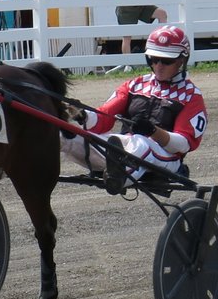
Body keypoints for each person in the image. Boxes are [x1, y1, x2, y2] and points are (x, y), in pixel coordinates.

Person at [63, 24, 208, 194]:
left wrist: (154, 132)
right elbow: (103, 120)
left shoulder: (191, 96)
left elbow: (183, 144)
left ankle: (119, 178)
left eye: (166, 61)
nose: (159, 65)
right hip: (126, 150)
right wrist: (82, 115)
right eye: (154, 59)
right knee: (67, 134)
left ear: (182, 60)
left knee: (141, 142)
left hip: (165, 158)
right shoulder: (135, 85)